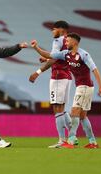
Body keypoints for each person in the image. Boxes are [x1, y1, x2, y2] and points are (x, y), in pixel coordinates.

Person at [31, 32, 101, 149]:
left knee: (74, 111)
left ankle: (70, 141)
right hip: (82, 87)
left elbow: (94, 69)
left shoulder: (84, 55)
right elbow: (50, 55)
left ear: (75, 42)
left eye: (68, 41)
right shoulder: (66, 54)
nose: (65, 42)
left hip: (85, 87)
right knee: (82, 116)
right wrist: (36, 48)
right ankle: (93, 142)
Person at [28, 20, 73, 148]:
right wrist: (48, 58)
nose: (52, 31)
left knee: (57, 108)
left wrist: (37, 72)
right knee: (62, 108)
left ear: (61, 30)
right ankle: (72, 137)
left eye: (54, 29)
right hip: (67, 76)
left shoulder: (58, 40)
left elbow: (54, 59)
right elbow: (59, 57)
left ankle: (62, 141)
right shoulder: (69, 41)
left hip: (58, 76)